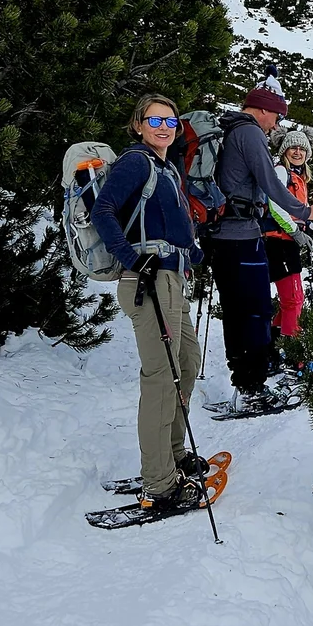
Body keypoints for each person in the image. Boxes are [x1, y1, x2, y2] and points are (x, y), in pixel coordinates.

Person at [92, 94, 206, 514]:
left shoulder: (166, 167)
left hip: (172, 278)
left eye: (171, 121)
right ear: (138, 124)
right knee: (162, 377)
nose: (164, 127)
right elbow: (104, 211)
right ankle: (160, 483)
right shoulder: (136, 162)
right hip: (150, 281)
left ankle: (173, 454)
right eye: (154, 119)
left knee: (187, 364)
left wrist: (191, 252)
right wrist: (132, 259)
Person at [208, 83, 313, 409]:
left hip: (223, 235)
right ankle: (253, 389)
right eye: (276, 116)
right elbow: (270, 184)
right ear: (262, 109)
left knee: (237, 312)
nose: (275, 124)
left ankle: (245, 385)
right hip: (242, 237)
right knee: (256, 311)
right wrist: (306, 212)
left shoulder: (231, 130)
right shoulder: (250, 133)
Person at [264, 126, 313, 358]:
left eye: (302, 148)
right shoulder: (281, 172)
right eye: (293, 147)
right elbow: (275, 207)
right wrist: (296, 232)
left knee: (292, 299)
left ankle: (275, 347)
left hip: (287, 241)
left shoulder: (298, 177)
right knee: (293, 298)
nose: (297, 152)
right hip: (279, 241)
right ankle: (290, 353)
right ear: (284, 151)